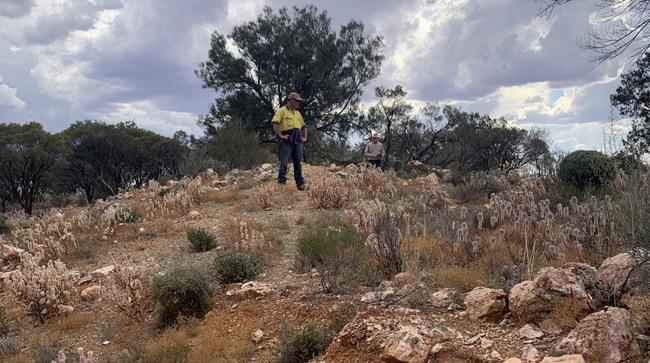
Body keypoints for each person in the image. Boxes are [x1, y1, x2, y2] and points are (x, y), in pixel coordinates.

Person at [272, 92, 308, 190]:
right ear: (290, 100)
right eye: (296, 101)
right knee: (284, 162)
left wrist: (304, 138)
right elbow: (275, 123)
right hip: (286, 141)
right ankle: (281, 184)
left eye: (299, 101)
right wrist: (281, 135)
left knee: (298, 163)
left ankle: (300, 184)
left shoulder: (298, 113)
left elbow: (304, 127)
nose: (298, 103)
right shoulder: (282, 111)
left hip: (297, 141)